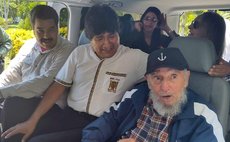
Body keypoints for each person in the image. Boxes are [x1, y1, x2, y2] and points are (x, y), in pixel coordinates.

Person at [1, 4, 148, 142]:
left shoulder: (134, 58)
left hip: (101, 124)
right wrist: (32, 121)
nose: (107, 44)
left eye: (112, 36)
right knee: (19, 128)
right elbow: (58, 86)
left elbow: (164, 65)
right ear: (90, 38)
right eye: (99, 38)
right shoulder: (79, 53)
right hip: (68, 116)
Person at [82, 48, 224, 142]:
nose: (164, 87)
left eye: (173, 76)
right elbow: (101, 125)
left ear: (186, 78)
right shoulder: (136, 95)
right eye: (157, 78)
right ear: (148, 81)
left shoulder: (204, 116)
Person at [0, 4, 74, 141]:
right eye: (40, 30)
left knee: (12, 104)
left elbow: (43, 83)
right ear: (33, 29)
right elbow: (13, 72)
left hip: (50, 108)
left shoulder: (67, 50)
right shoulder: (29, 46)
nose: (46, 35)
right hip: (24, 100)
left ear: (57, 28)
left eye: (51, 29)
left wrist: (3, 93)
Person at [162, 12, 229, 80]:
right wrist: (166, 28)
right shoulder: (187, 53)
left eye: (195, 24)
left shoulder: (221, 69)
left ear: (210, 32)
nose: (189, 26)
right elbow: (179, 42)